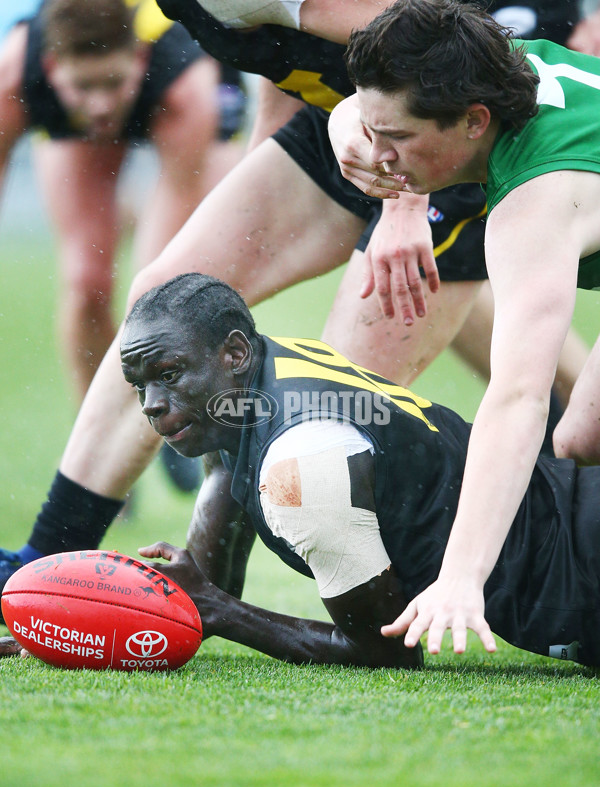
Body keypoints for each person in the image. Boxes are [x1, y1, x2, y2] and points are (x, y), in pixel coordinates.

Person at [0, 0, 589, 589]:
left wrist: (405, 202)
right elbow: (284, 57)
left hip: (427, 143)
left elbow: (402, 44)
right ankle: (46, 559)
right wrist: (261, 167)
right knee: (164, 302)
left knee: (321, 414)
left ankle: (493, 569)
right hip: (356, 123)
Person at [10, 272, 599, 667]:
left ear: (234, 353)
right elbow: (201, 585)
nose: (151, 405)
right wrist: (70, 624)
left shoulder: (303, 464)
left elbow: (384, 650)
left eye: (168, 374)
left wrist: (222, 614)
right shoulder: (250, 386)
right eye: (140, 386)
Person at [326, 0, 600, 657]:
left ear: (475, 122)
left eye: (395, 139)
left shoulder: (532, 208)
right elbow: (355, 113)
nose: (379, 153)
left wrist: (460, 577)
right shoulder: (494, 70)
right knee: (583, 436)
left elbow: (519, 395)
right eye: (373, 129)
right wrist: (346, 127)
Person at [0, 0, 247, 491]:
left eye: (112, 83)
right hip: (76, 128)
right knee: (87, 282)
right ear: (52, 69)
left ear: (136, 60)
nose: (99, 104)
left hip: (188, 108)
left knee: (158, 295)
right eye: (83, 86)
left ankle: (165, 425)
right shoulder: (13, 78)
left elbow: (159, 285)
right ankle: (90, 447)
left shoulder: (186, 85)